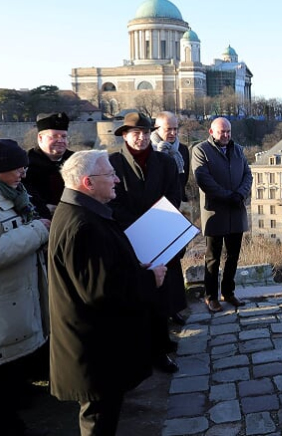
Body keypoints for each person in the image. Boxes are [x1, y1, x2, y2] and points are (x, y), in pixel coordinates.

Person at [48, 150, 167, 436]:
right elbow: (101, 291)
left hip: (98, 347)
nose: (116, 179)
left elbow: (102, 270)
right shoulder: (83, 225)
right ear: (88, 182)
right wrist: (150, 278)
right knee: (98, 421)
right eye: (110, 175)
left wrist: (134, 266)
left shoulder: (83, 213)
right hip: (95, 352)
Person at [109, 112, 182, 374]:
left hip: (160, 231)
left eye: (144, 132)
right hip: (129, 237)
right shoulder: (113, 163)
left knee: (161, 292)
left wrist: (156, 219)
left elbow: (175, 193)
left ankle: (160, 348)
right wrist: (139, 225)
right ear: (125, 136)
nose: (140, 137)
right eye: (134, 133)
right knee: (136, 293)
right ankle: (140, 349)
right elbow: (112, 202)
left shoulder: (165, 162)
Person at [0, 139, 51, 436]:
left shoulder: (17, 195)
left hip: (24, 291)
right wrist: (37, 231)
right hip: (7, 299)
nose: (23, 172)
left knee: (17, 362)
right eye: (17, 167)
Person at [192, 117, 252, 313]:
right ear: (211, 132)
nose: (226, 135)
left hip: (236, 210)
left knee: (233, 256)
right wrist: (229, 196)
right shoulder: (201, 150)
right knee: (213, 258)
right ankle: (211, 297)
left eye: (228, 131)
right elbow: (204, 180)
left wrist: (241, 194)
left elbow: (247, 175)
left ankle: (228, 291)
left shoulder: (238, 150)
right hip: (215, 212)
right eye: (221, 132)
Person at [151, 111, 190, 325]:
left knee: (175, 263)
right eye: (169, 129)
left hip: (175, 211)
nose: (173, 133)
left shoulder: (182, 150)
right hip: (155, 214)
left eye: (176, 128)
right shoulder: (150, 151)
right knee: (157, 264)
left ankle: (175, 308)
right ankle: (160, 311)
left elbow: (182, 183)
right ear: (157, 130)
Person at [23, 112, 74, 219]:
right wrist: (42, 207)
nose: (60, 140)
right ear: (40, 138)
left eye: (63, 136)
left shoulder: (75, 161)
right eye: (54, 136)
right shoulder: (25, 164)